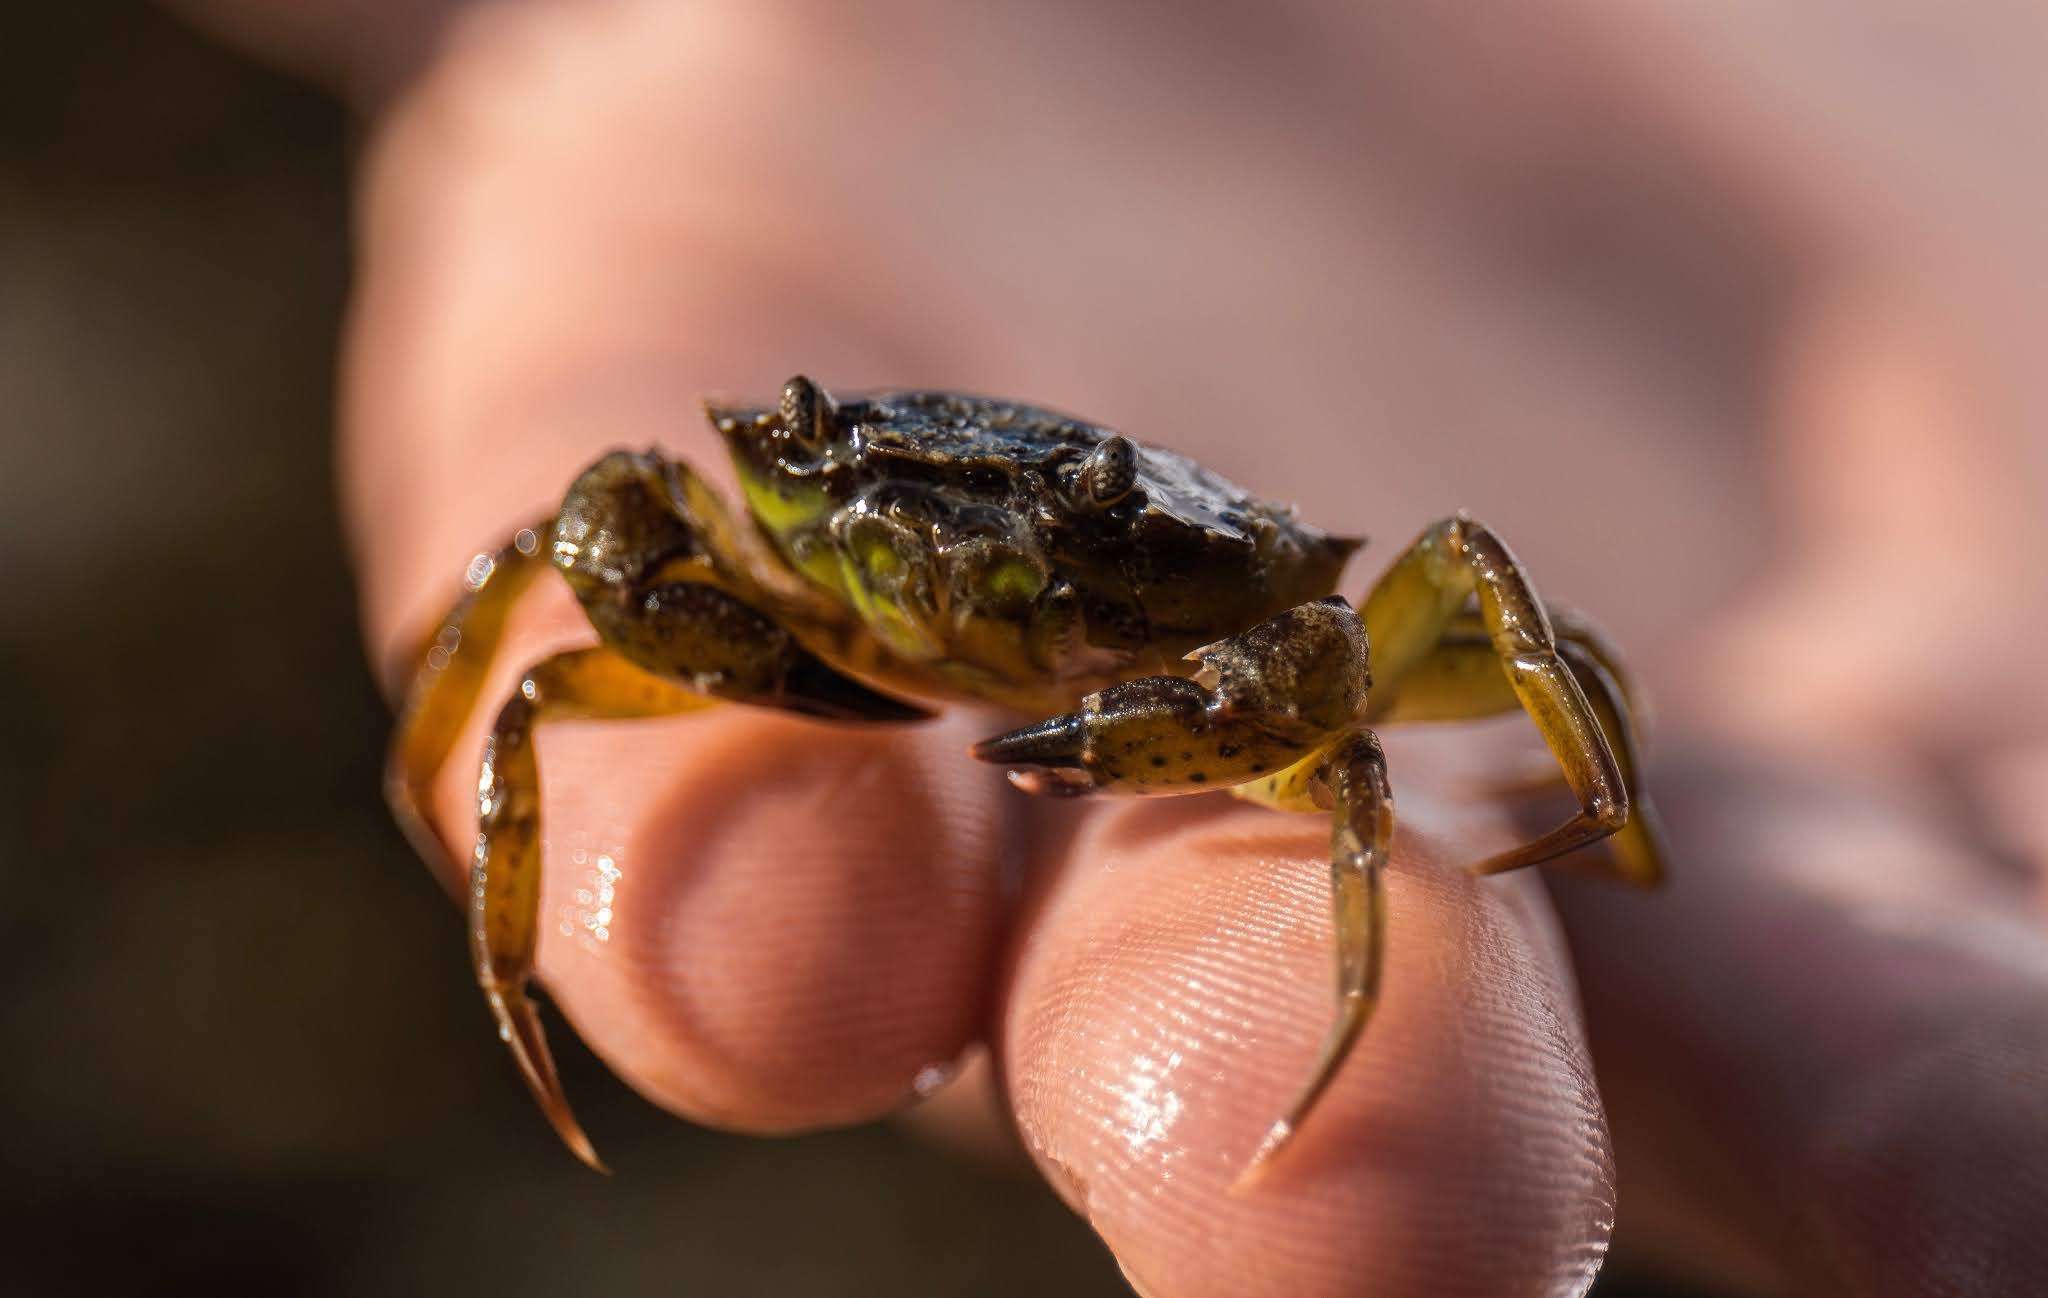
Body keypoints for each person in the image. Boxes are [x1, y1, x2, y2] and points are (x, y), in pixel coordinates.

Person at [180, 3, 2048, 1294]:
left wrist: (1597, 810)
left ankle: (1480, 923)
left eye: (1029, 552)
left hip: (1199, 624)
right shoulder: (770, 516)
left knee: (1466, 638)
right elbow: (576, 537)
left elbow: (1434, 630)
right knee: (542, 671)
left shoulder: (1287, 619)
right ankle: (518, 981)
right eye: (866, 504)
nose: (945, 565)